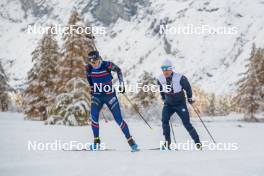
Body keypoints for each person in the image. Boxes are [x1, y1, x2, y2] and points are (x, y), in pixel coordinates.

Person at [85, 50, 139, 152]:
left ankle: (131, 142)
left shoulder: (107, 65)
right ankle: (96, 142)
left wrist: (122, 85)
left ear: (99, 59)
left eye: (95, 61)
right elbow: (89, 79)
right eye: (91, 62)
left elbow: (118, 70)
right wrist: (92, 89)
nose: (93, 64)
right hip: (97, 96)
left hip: (110, 96)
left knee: (119, 120)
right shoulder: (88, 68)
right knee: (94, 117)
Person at [157, 59, 202, 150]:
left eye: (167, 69)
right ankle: (167, 143)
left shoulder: (180, 78)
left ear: (171, 69)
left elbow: (188, 88)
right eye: (163, 69)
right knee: (164, 120)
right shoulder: (160, 78)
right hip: (168, 104)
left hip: (180, 104)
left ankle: (198, 142)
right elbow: (161, 89)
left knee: (186, 123)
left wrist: (189, 98)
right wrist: (163, 97)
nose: (165, 71)